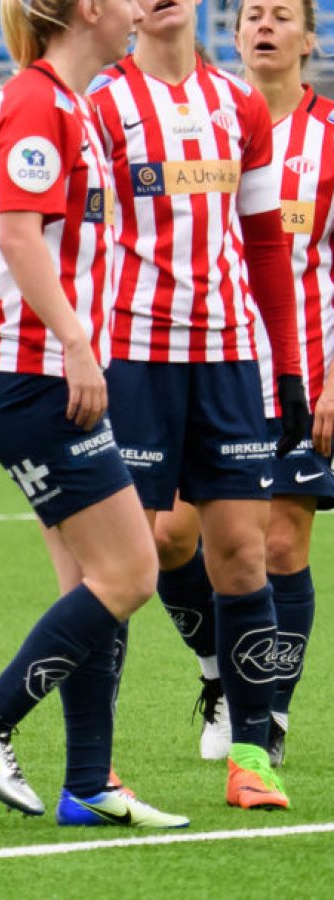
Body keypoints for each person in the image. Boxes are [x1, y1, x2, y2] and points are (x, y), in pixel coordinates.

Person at [0, 0, 187, 829]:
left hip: (48, 377)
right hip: (36, 379)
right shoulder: (36, 99)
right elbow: (16, 236)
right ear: (85, 10)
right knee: (133, 574)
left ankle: (89, 784)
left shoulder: (72, 101)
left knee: (93, 586)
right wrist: (79, 345)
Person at [86, 0, 311, 810]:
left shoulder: (238, 104)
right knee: (132, 558)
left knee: (244, 555)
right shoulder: (104, 103)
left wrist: (286, 370)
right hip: (135, 361)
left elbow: (264, 246)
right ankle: (95, 769)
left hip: (228, 360)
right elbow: (76, 242)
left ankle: (253, 756)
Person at [144, 0, 330, 771]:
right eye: (252, 14)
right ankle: (221, 673)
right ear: (233, 33)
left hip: (305, 369)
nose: (264, 27)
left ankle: (269, 713)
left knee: (278, 543)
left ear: (308, 40)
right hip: (212, 359)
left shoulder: (328, 139)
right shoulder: (213, 114)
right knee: (168, 535)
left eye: (281, 16)